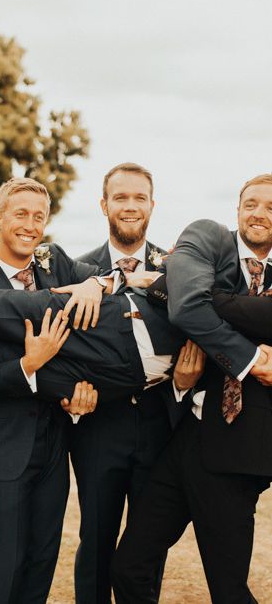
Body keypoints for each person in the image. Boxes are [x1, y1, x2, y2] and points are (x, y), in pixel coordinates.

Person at [0, 177, 102, 604]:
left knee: (42, 561)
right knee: (3, 564)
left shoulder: (56, 269)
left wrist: (92, 286)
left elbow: (102, 279)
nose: (30, 224)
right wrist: (30, 363)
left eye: (39, 216)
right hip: (0, 450)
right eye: (21, 214)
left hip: (54, 448)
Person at [112, 173, 272, 603]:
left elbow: (194, 305)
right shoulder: (213, 245)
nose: (259, 213)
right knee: (129, 566)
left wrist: (178, 287)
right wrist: (252, 355)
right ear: (238, 208)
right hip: (185, 437)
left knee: (228, 590)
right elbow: (187, 311)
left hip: (241, 454)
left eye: (271, 208)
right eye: (252, 203)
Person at [70, 163, 203, 604]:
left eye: (139, 198)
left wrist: (184, 385)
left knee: (144, 555)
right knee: (95, 546)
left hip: (160, 429)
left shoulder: (180, 270)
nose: (130, 206)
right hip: (97, 430)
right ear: (104, 204)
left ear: (152, 205)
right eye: (121, 198)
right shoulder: (76, 269)